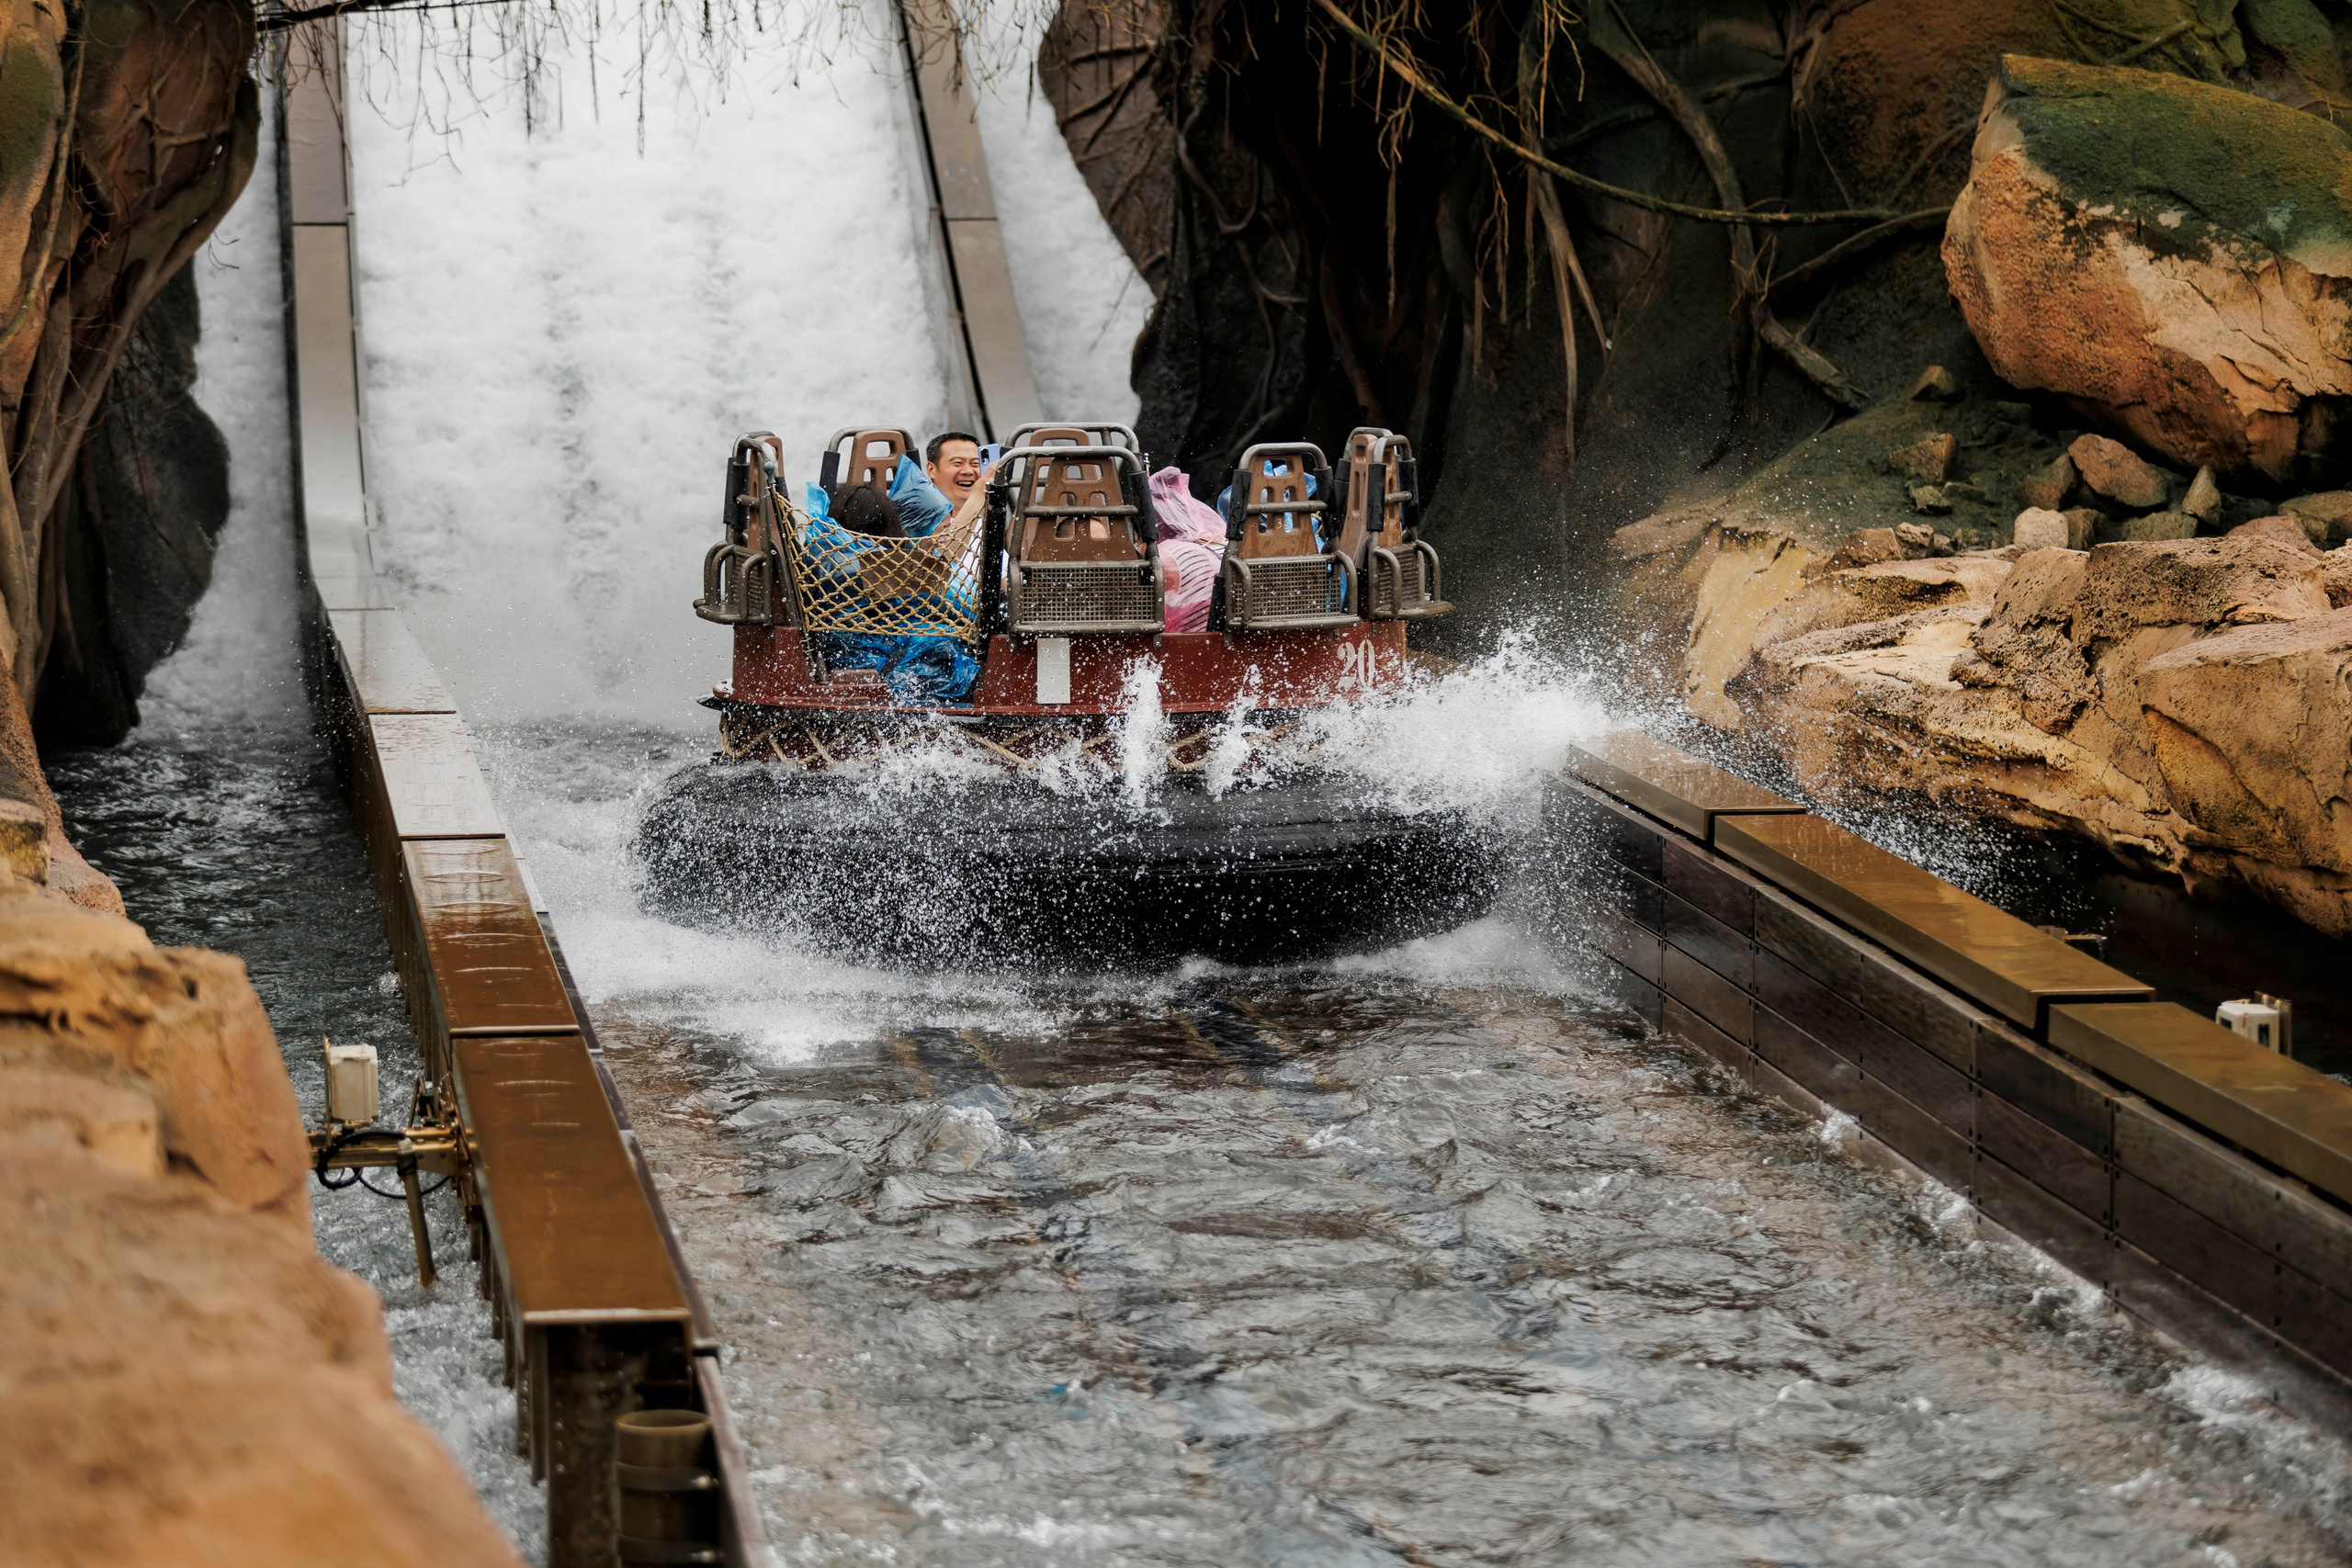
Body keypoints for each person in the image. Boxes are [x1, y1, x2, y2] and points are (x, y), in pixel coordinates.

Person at [924, 431, 986, 509]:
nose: (968, 471)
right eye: (957, 463)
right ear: (931, 470)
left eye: (975, 463)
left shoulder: (995, 513)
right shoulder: (916, 514)